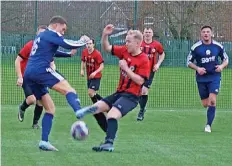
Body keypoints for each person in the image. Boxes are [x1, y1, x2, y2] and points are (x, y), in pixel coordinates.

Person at [76, 25, 150, 152]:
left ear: (138, 43)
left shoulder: (144, 60)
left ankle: (109, 143)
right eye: (125, 41)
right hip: (119, 93)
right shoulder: (125, 51)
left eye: (128, 41)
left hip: (131, 97)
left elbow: (140, 81)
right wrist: (105, 35)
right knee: (96, 109)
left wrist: (126, 68)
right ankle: (110, 133)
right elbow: (107, 48)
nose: (126, 43)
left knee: (112, 115)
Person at [23, 15, 90, 151]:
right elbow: (67, 43)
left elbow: (53, 51)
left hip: (29, 74)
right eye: (63, 29)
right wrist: (83, 41)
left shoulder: (42, 36)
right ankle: (79, 111)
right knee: (69, 90)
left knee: (50, 109)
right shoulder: (50, 33)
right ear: (55, 25)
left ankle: (44, 141)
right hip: (41, 70)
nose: (63, 32)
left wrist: (68, 54)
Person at [187, 25, 229, 133]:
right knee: (205, 104)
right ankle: (210, 112)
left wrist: (221, 67)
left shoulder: (218, 46)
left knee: (212, 101)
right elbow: (188, 62)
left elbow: (226, 59)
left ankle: (208, 125)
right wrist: (197, 68)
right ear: (201, 34)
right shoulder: (195, 47)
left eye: (208, 32)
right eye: (204, 32)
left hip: (214, 76)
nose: (206, 34)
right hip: (201, 78)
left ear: (211, 34)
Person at [15, 25, 52, 129]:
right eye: (40, 33)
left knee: (41, 101)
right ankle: (22, 107)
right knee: (32, 99)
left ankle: (35, 124)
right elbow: (18, 60)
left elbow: (52, 63)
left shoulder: (47, 48)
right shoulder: (30, 45)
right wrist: (20, 77)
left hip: (39, 78)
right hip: (27, 77)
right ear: (37, 34)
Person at [137, 27, 165, 121]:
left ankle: (141, 112)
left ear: (152, 34)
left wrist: (158, 64)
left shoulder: (157, 44)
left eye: (149, 32)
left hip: (150, 71)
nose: (148, 34)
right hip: (138, 71)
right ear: (143, 33)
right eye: (146, 32)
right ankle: (142, 107)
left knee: (144, 91)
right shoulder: (139, 43)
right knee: (139, 91)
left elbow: (162, 54)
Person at [80, 39, 107, 132]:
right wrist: (82, 70)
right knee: (92, 94)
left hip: (96, 76)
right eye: (87, 43)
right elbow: (83, 61)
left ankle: (97, 107)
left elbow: (102, 66)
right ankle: (105, 102)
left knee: (91, 92)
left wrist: (95, 72)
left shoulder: (97, 54)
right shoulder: (84, 52)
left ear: (93, 45)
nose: (88, 45)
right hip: (89, 77)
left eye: (90, 43)